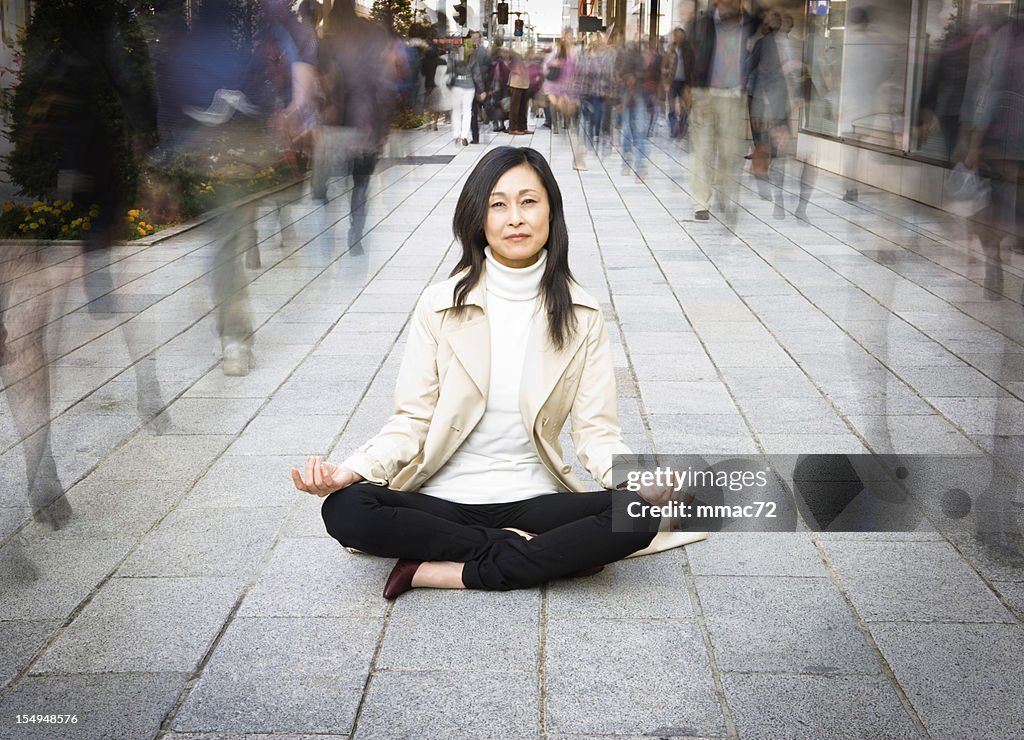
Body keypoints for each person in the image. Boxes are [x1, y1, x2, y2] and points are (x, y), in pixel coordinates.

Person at [292, 147, 704, 598]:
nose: (515, 218)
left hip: (535, 499)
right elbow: (411, 420)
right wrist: (351, 470)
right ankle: (525, 552)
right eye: (498, 204)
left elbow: (596, 433)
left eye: (529, 201)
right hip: (442, 500)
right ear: (478, 217)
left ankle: (441, 570)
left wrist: (636, 478)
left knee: (638, 514)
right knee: (346, 509)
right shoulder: (439, 305)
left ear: (551, 212)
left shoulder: (582, 313)